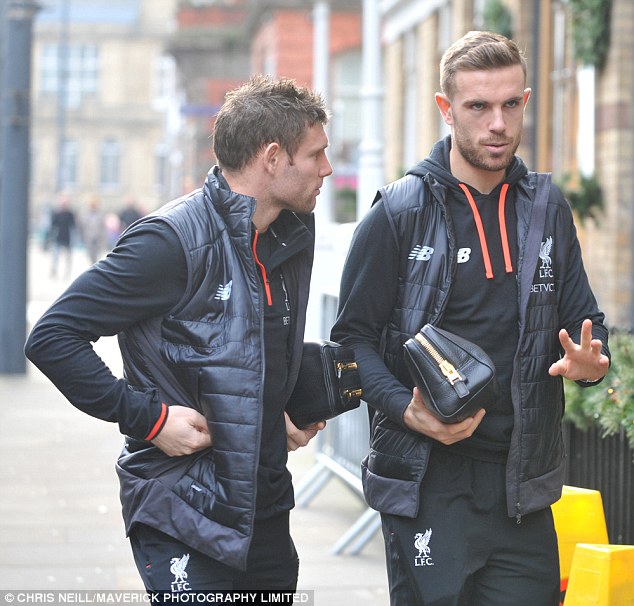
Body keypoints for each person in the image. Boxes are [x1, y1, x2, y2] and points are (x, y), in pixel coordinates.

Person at [331, 31, 610, 606]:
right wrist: (404, 409)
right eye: (478, 106)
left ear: (526, 102)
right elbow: (350, 342)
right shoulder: (400, 211)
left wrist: (591, 361)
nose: (498, 123)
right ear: (446, 109)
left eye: (511, 104)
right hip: (428, 483)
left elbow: (587, 322)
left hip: (522, 490)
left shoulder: (547, 208)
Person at [25, 75, 332, 594]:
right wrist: (150, 419)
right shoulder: (170, 243)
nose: (327, 168)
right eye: (317, 154)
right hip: (181, 507)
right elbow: (53, 337)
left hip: (264, 508)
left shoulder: (289, 232)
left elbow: (241, 351)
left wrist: (268, 411)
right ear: (273, 158)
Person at [48, 193, 76, 278]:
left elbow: (73, 227)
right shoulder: (57, 214)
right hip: (58, 237)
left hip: (67, 238)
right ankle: (54, 271)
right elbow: (53, 226)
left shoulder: (70, 214)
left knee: (68, 258)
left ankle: (67, 272)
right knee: (55, 256)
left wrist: (74, 239)